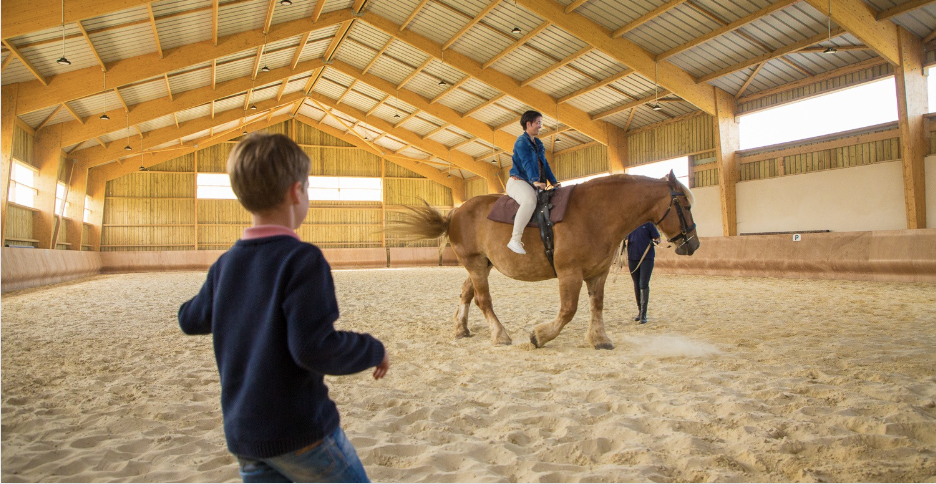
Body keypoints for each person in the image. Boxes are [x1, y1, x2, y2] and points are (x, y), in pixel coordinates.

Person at [178, 133, 389, 483]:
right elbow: (314, 348)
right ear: (296, 192)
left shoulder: (225, 265)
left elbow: (190, 318)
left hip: (245, 436)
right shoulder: (302, 259)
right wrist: (372, 349)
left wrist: (225, 290)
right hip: (302, 434)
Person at [506, 110, 560, 255]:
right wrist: (535, 181)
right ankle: (515, 239)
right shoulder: (521, 142)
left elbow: (545, 164)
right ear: (528, 124)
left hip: (531, 182)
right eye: (538, 123)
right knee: (529, 201)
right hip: (518, 181)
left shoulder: (538, 143)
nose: (540, 126)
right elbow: (527, 163)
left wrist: (554, 182)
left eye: (540, 122)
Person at [625, 222, 661, 324]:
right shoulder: (630, 224)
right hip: (632, 257)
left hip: (646, 258)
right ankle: (640, 311)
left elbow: (658, 238)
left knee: (643, 284)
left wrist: (655, 242)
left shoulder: (648, 224)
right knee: (636, 284)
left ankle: (643, 314)